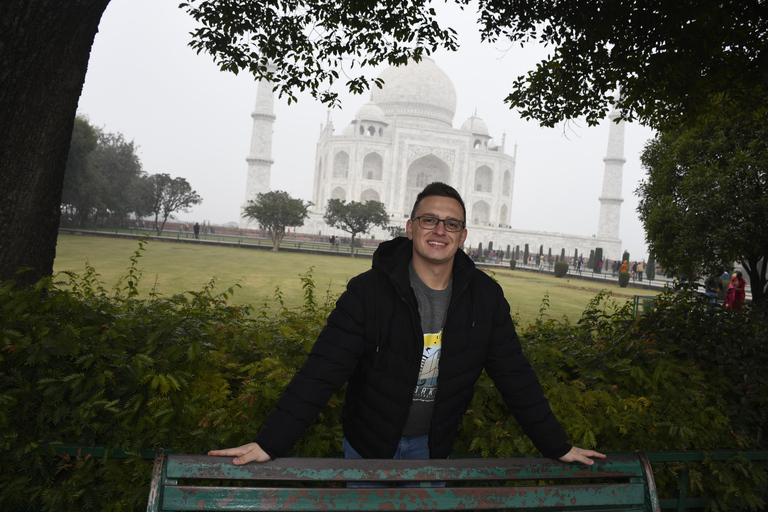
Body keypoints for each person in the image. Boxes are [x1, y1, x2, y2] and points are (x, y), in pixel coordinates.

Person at [209, 182, 604, 468]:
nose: (439, 231)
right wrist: (270, 442)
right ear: (411, 226)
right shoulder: (369, 292)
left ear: (463, 236)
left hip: (433, 447)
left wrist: (556, 445)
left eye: (451, 224)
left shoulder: (484, 298)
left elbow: (514, 375)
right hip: (368, 446)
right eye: (429, 220)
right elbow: (322, 370)